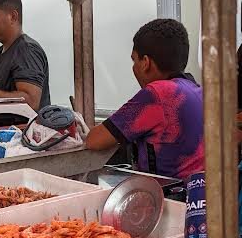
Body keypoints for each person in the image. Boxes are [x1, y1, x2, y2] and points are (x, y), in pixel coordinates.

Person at [85, 19, 204, 180]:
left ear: (146, 63)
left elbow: (94, 140)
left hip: (171, 197)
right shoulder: (197, 91)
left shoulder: (157, 94)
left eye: (134, 60)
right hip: (199, 196)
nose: (133, 67)